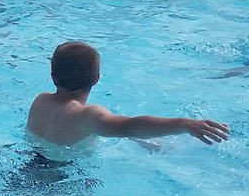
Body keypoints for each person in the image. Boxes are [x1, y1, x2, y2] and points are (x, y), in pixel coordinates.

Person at [25, 41, 230, 149]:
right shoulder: (87, 116)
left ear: (53, 77)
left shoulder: (40, 100)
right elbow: (130, 127)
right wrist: (185, 124)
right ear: (97, 79)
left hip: (27, 167)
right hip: (59, 182)